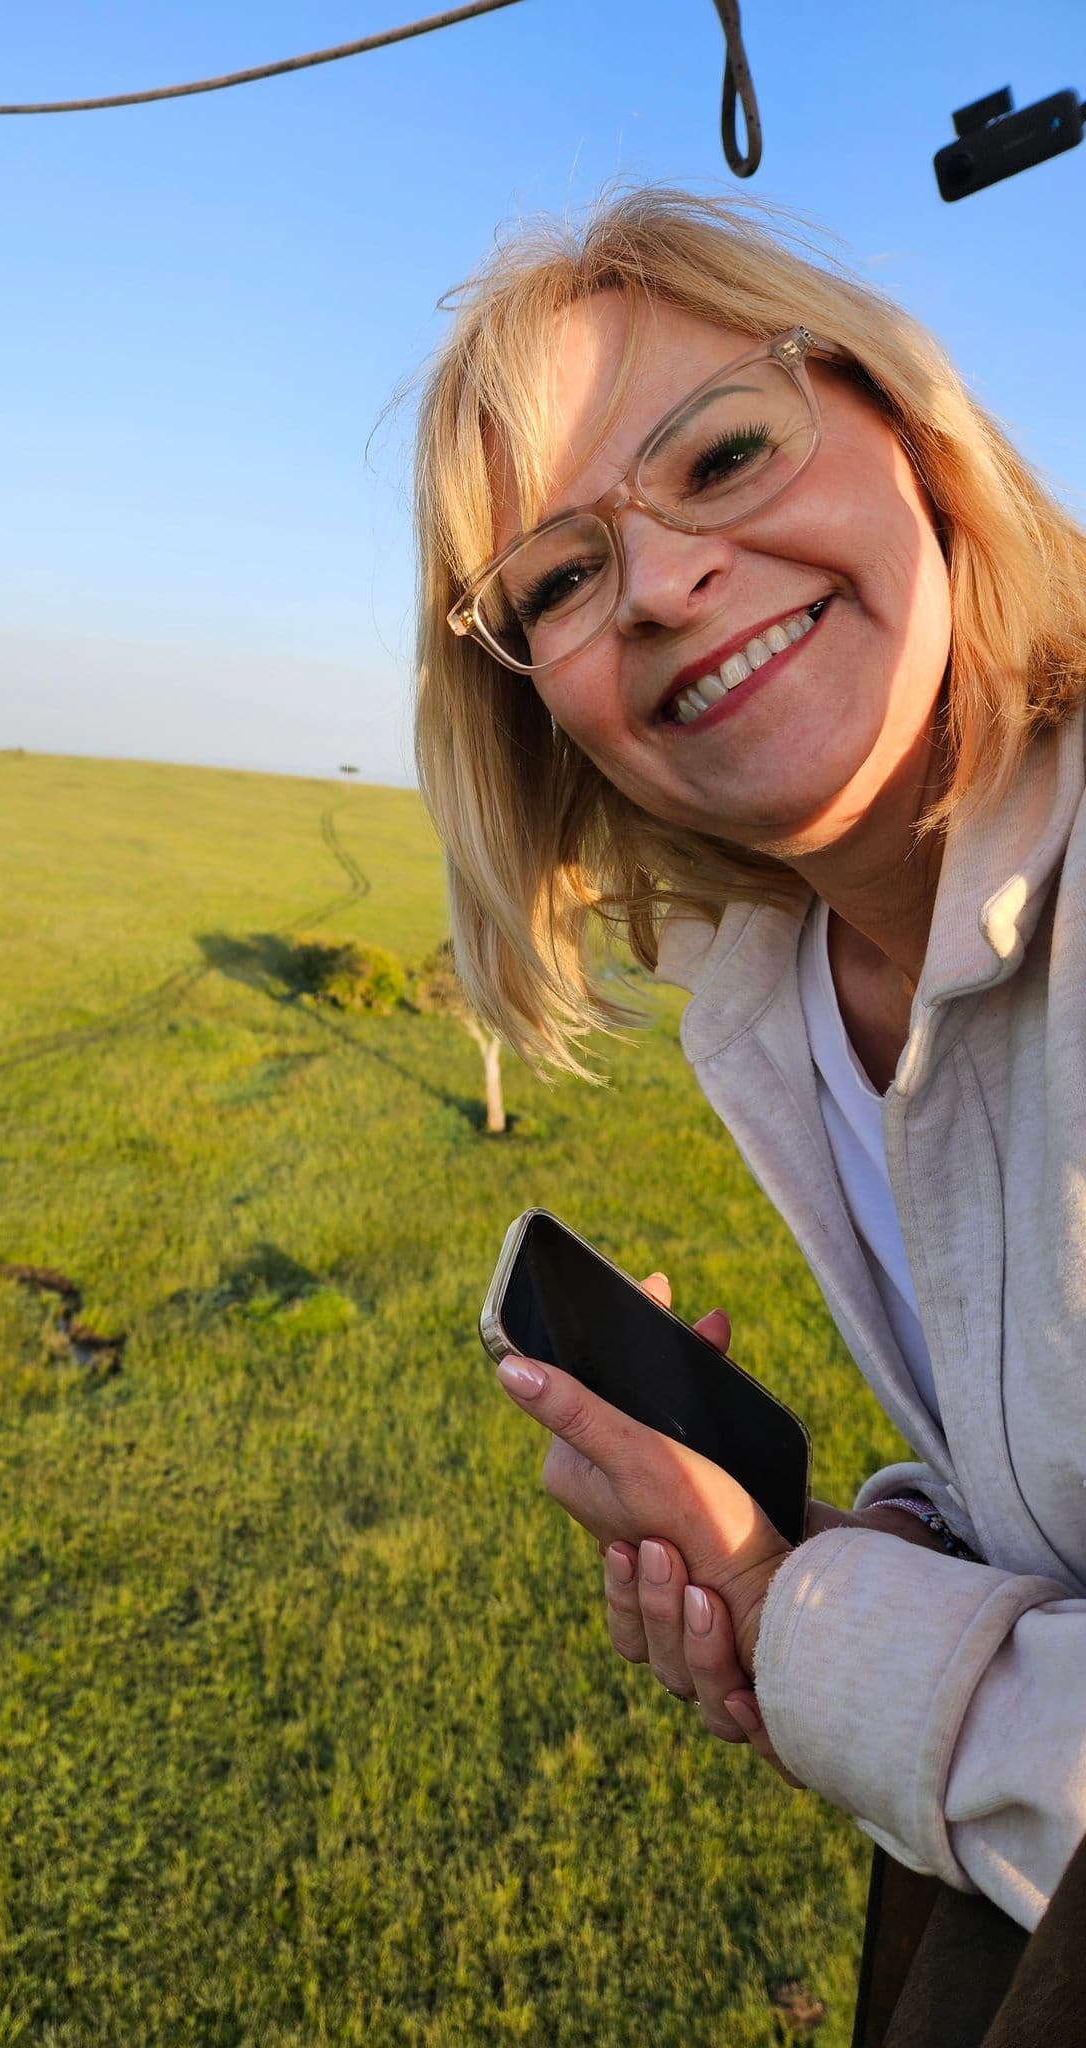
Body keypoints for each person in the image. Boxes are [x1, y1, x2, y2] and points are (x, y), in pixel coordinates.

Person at [410, 183, 1086, 2008]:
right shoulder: (778, 1001)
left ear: (908, 429)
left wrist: (819, 1627)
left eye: (722, 453)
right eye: (558, 577)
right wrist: (874, 1538)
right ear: (530, 701)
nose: (659, 583)